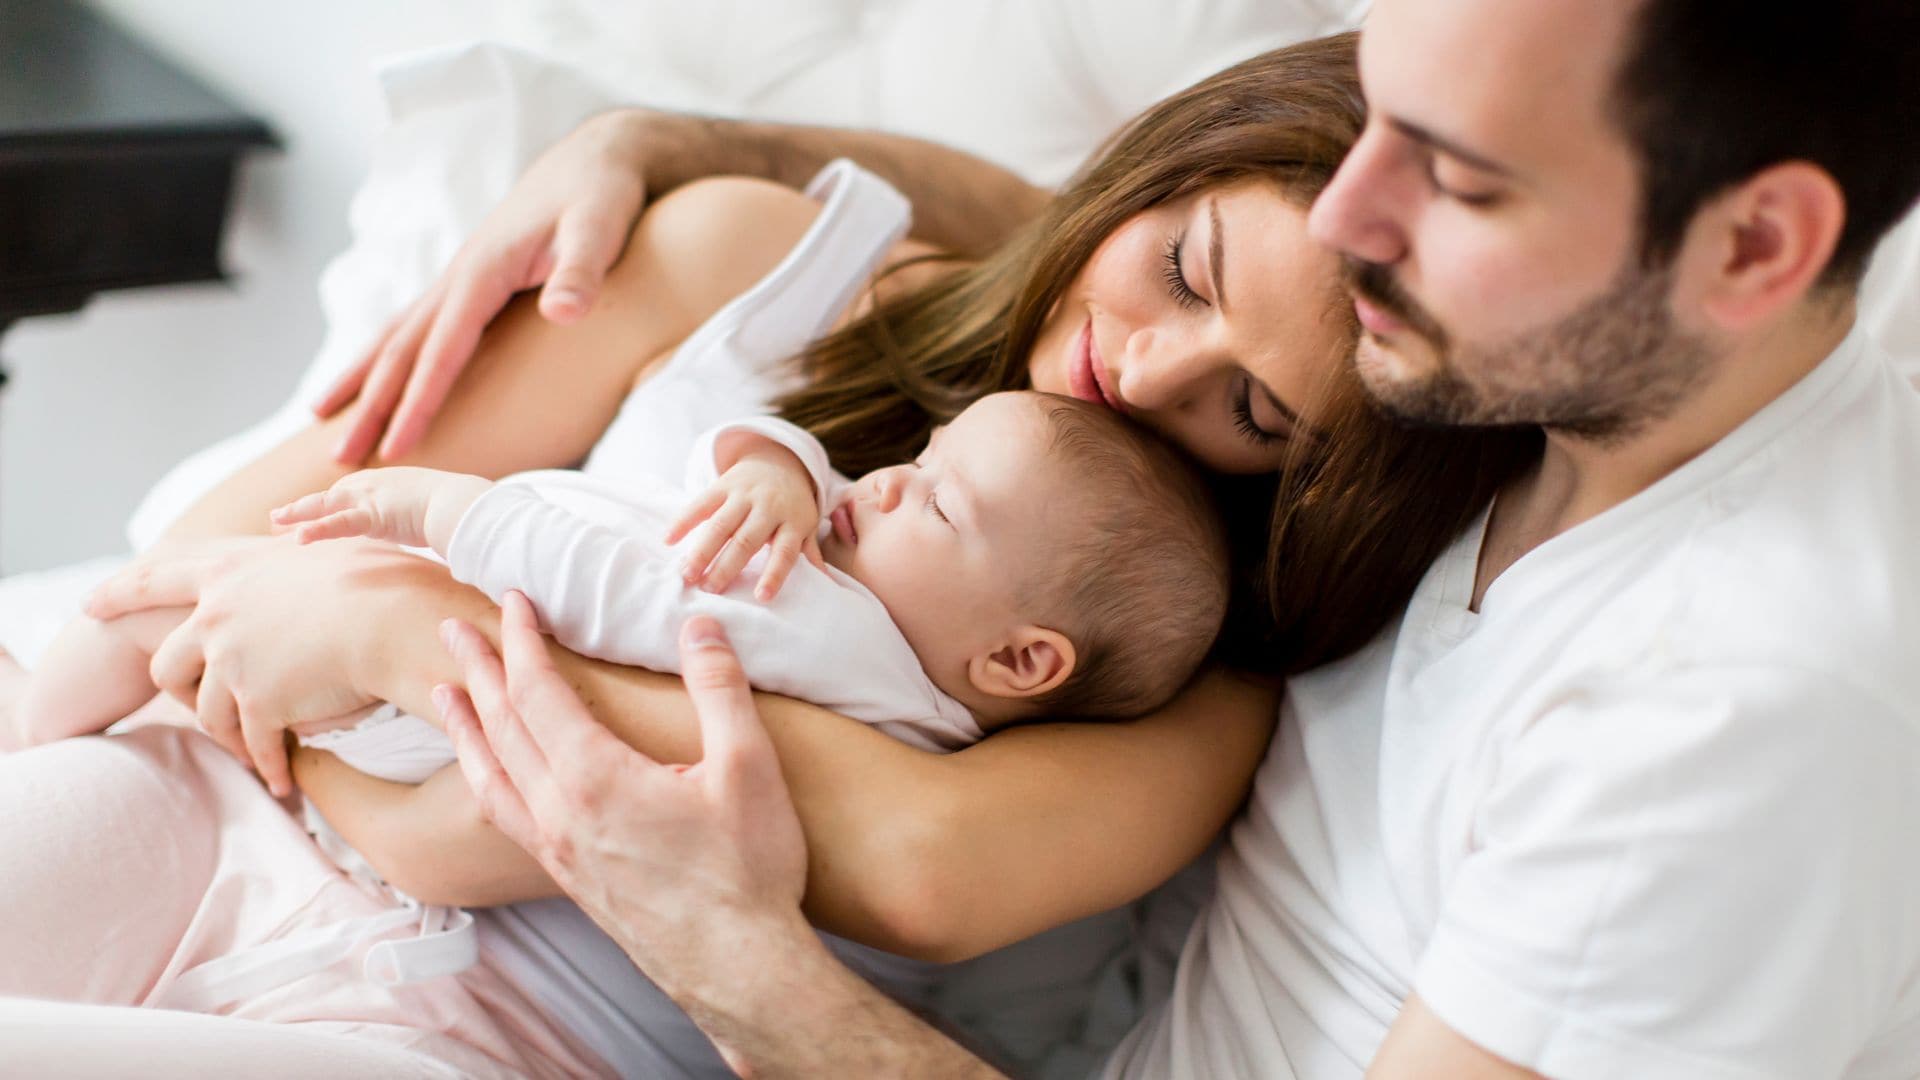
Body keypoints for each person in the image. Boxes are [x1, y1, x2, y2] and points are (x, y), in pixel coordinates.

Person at [312, 0, 1920, 1076]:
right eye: (1381, 112)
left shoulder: (1726, 719)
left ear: (1754, 247)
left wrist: (735, 958)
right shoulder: (1489, 372)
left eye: (1456, 179)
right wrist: (684, 142)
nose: (1351, 219)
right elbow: (1087, 249)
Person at [0, 34, 1528, 1076]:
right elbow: (239, 538)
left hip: (494, 1023)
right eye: (1182, 270)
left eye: (1256, 411)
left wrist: (403, 632)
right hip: (222, 799)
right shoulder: (762, 267)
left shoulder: (1189, 669)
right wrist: (671, 139)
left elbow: (923, 867)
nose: (1140, 371)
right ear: (1149, 176)